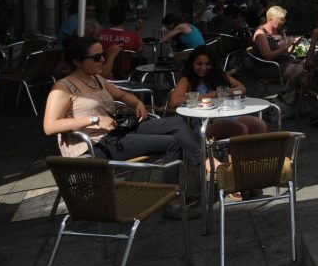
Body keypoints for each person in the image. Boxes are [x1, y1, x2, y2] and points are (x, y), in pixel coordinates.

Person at [42, 36, 200, 218]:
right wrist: (94, 120)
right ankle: (173, 204)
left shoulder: (96, 79)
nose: (102, 59)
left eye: (103, 54)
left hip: (116, 131)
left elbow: (122, 95)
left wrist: (136, 103)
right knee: (173, 143)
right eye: (96, 57)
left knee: (177, 122)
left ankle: (202, 165)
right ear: (78, 61)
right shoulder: (63, 88)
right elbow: (50, 126)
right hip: (95, 144)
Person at [168, 46, 266, 139]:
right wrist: (209, 96)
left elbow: (242, 88)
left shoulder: (218, 75)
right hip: (206, 121)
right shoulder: (187, 80)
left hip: (228, 114)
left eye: (207, 64)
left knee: (259, 125)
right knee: (240, 129)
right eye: (199, 64)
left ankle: (255, 156)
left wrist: (224, 92)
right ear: (192, 63)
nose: (203, 68)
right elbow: (174, 101)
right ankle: (238, 156)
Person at [251, 5, 304, 94]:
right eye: (282, 19)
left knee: (309, 65)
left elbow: (287, 52)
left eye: (284, 19)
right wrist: (286, 46)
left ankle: (294, 95)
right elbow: (268, 56)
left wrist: (294, 45)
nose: (283, 22)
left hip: (284, 61)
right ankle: (287, 94)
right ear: (271, 19)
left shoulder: (279, 30)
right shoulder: (260, 34)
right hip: (269, 66)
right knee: (302, 70)